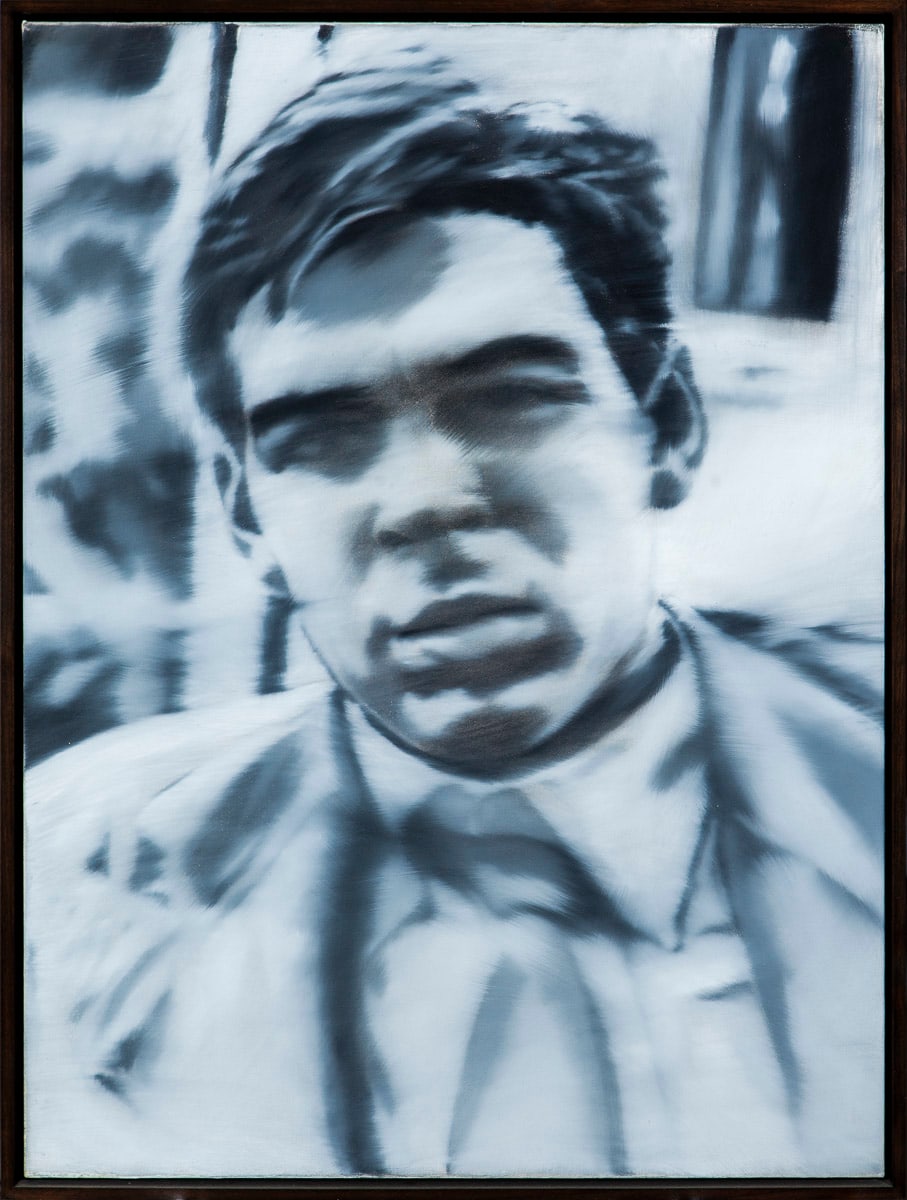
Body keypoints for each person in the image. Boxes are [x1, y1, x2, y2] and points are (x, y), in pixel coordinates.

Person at [25, 53, 884, 1179]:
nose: (426, 502)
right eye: (322, 439)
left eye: (512, 399)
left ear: (667, 427)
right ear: (245, 516)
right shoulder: (73, 880)